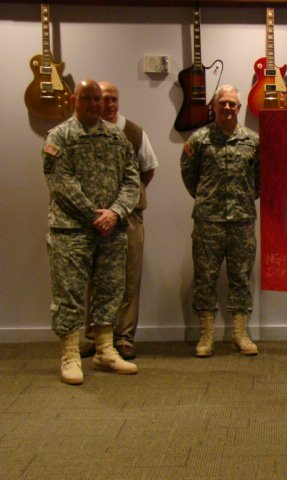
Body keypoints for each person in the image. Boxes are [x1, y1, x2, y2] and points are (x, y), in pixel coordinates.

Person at [43, 79, 140, 385]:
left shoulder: (116, 136)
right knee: (69, 293)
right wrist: (93, 215)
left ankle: (105, 351)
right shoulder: (60, 136)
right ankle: (71, 355)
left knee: (110, 290)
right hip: (71, 230)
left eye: (99, 99)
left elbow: (132, 178)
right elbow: (61, 182)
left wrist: (115, 213)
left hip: (112, 229)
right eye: (88, 98)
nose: (95, 104)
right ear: (75, 99)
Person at [80, 81, 159, 360]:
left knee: (129, 280)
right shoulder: (81, 132)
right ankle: (94, 337)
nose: (109, 105)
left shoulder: (134, 132)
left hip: (129, 219)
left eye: (113, 99)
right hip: (95, 220)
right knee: (94, 280)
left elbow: (147, 170)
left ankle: (123, 338)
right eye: (103, 99)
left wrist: (130, 200)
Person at [180, 84, 260, 357]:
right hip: (208, 222)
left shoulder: (253, 140)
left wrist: (245, 198)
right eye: (222, 103)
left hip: (242, 221)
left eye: (232, 104)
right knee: (205, 278)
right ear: (213, 107)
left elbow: (260, 179)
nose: (227, 108)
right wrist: (207, 198)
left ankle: (240, 334)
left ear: (239, 108)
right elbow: (189, 176)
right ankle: (206, 337)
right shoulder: (198, 140)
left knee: (240, 278)